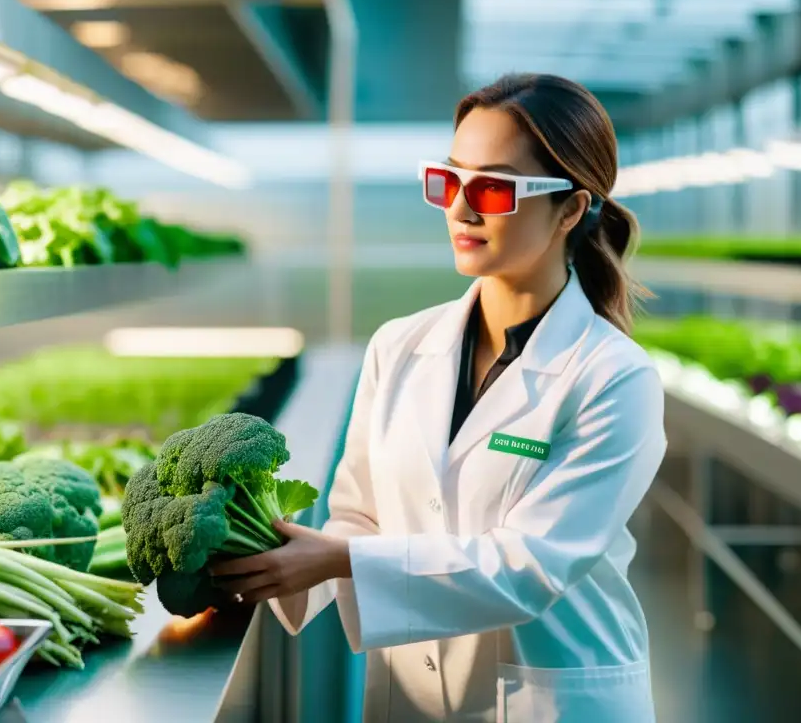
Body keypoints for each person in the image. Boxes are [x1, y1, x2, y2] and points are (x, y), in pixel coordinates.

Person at [212, 73, 667, 723]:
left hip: (553, 700)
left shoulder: (613, 377)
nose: (460, 208)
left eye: (491, 187)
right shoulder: (398, 346)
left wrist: (337, 558)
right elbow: (360, 516)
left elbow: (531, 564)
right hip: (411, 697)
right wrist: (274, 558)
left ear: (569, 208)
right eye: (449, 180)